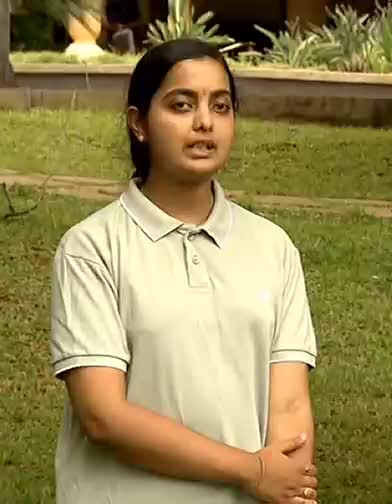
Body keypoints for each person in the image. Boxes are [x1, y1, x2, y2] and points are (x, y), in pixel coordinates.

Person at [49, 38, 320, 504]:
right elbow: (103, 416)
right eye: (181, 105)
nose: (204, 122)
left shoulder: (273, 248)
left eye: (221, 106)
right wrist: (250, 470)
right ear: (139, 124)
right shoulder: (91, 250)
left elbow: (291, 406)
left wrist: (286, 488)